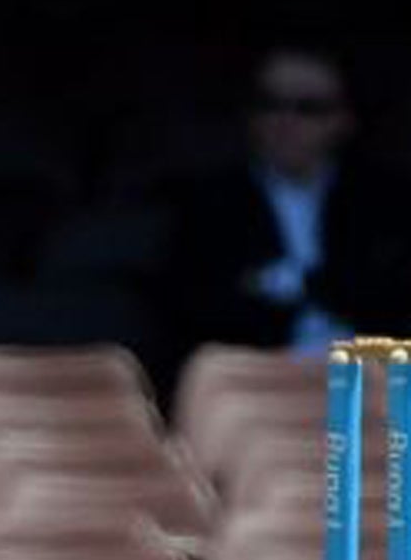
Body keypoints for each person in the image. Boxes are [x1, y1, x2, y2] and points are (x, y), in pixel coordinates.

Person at [164, 45, 411, 355]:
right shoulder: (209, 204)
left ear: (345, 119)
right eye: (269, 105)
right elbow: (200, 311)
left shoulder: (386, 201)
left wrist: (288, 284)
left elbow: (387, 295)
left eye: (309, 108)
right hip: (254, 381)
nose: (285, 121)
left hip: (374, 377)